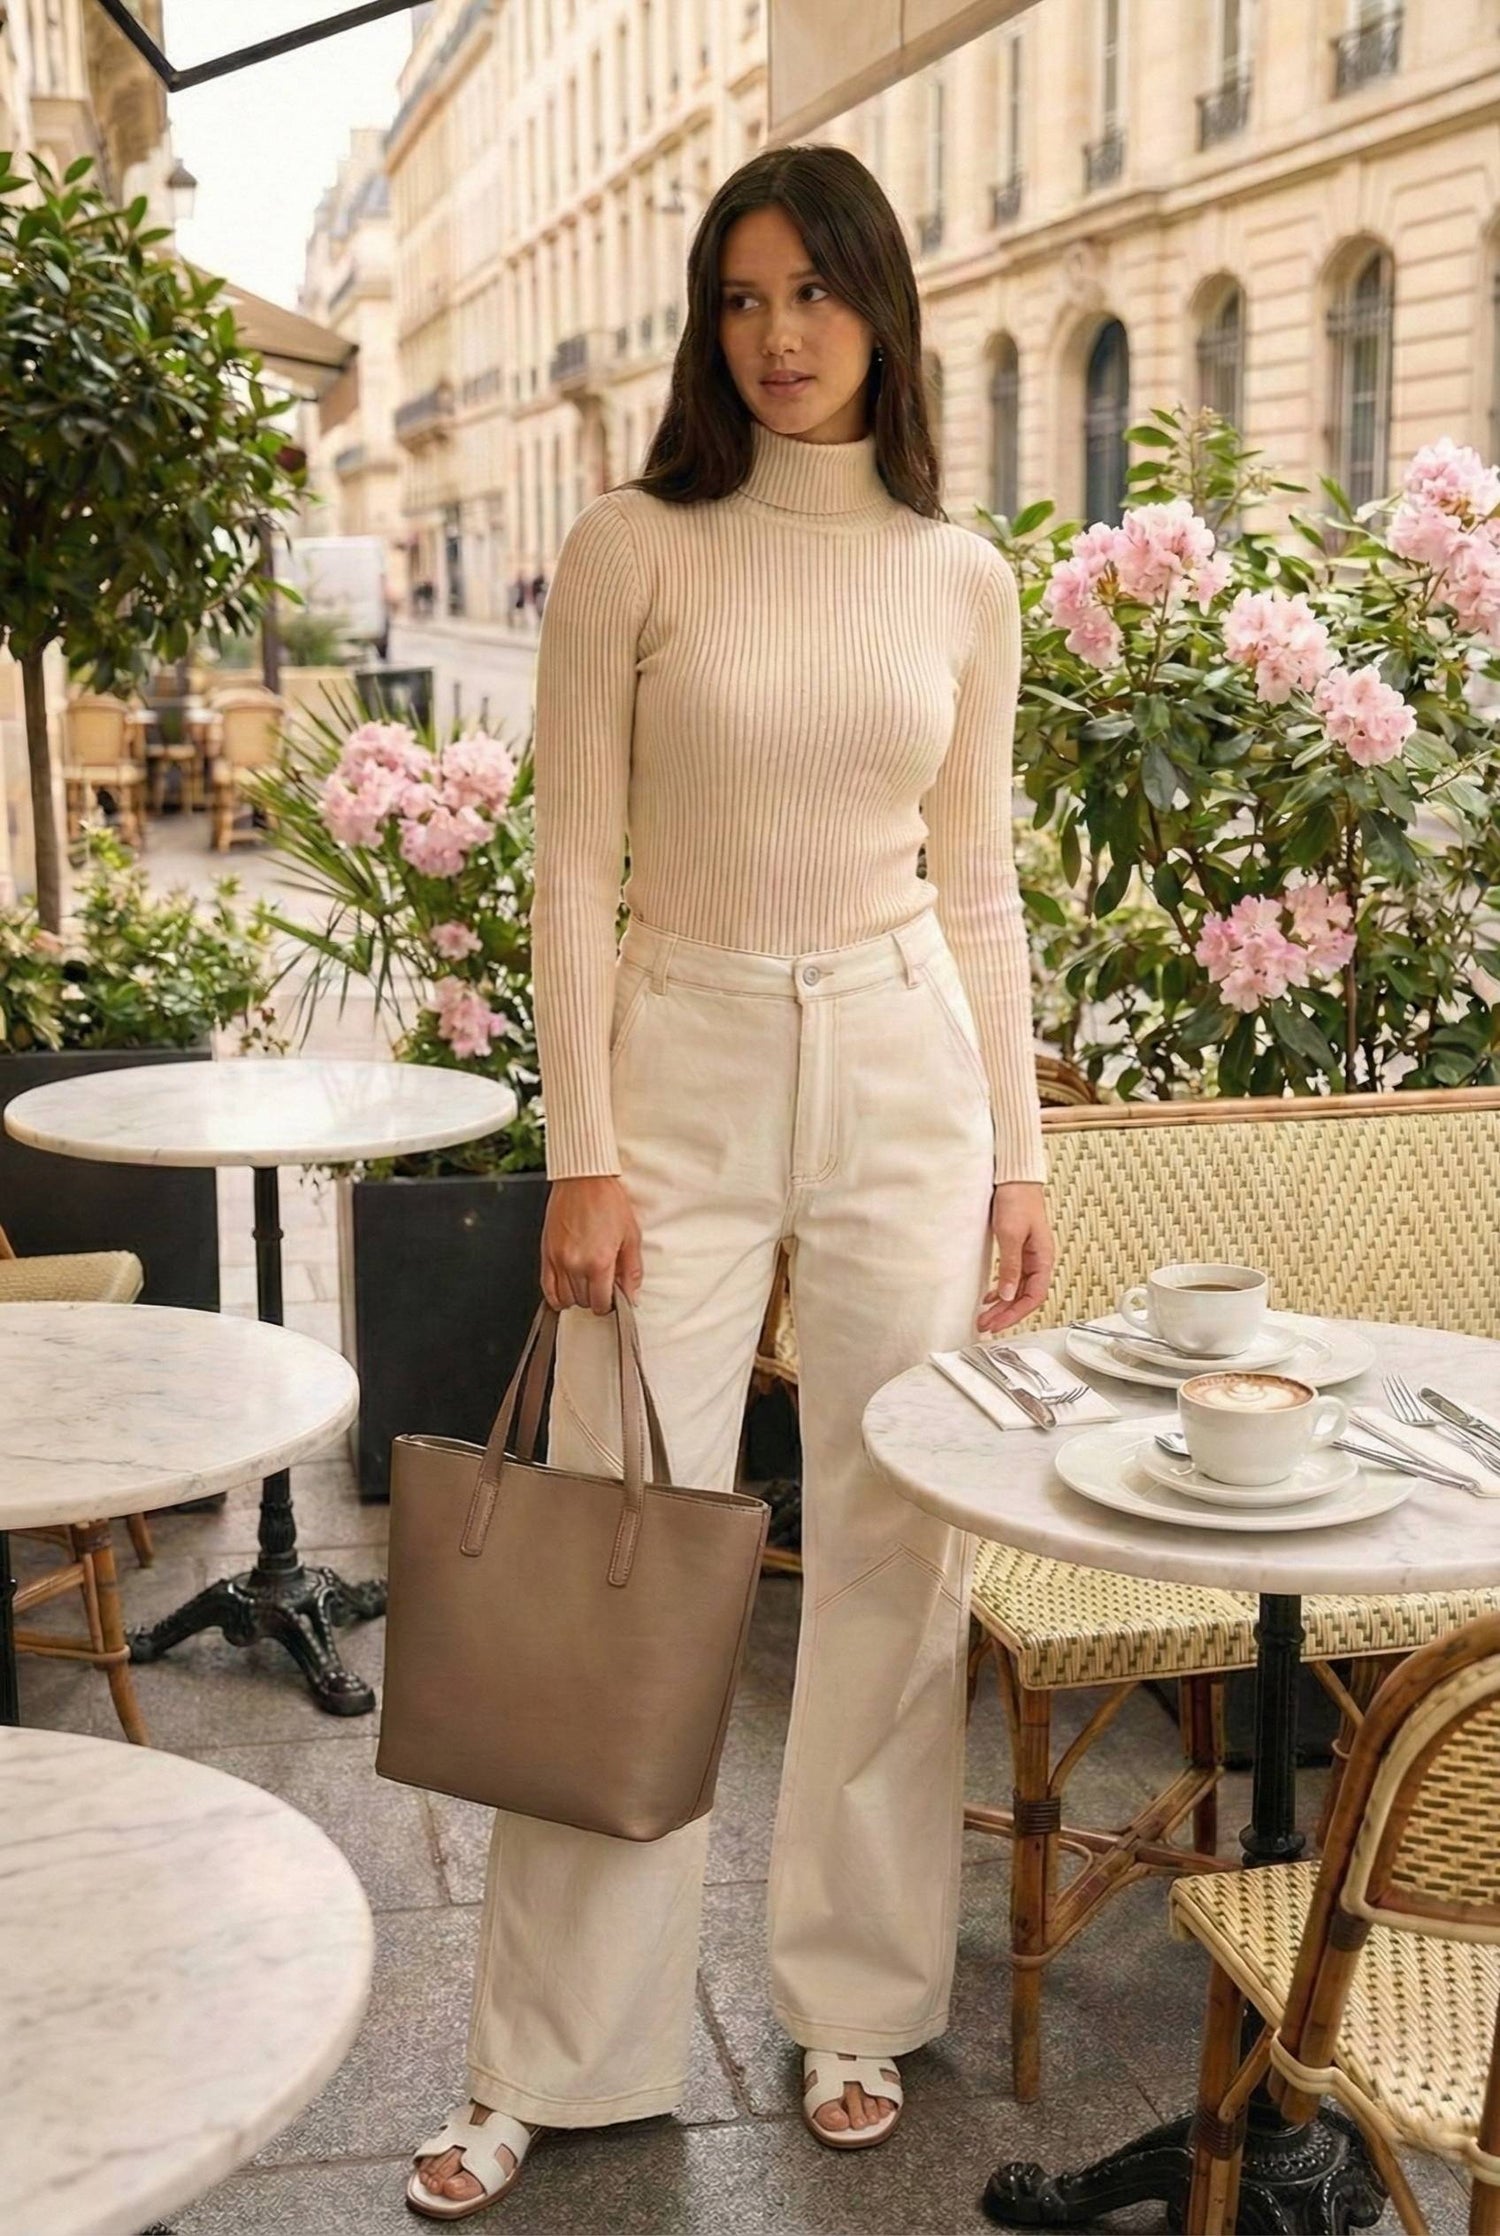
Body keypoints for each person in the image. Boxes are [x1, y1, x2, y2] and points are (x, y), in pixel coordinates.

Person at [408, 140, 1054, 2221]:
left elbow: (982, 890)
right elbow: (572, 871)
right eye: (741, 296)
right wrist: (581, 1144)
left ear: (882, 304)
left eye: (812, 292)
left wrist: (1017, 1155)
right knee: (616, 1541)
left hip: (898, 1072)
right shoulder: (634, 547)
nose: (775, 335)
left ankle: (854, 1995)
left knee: (893, 1552)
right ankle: (552, 2051)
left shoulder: (961, 578)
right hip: (675, 1065)